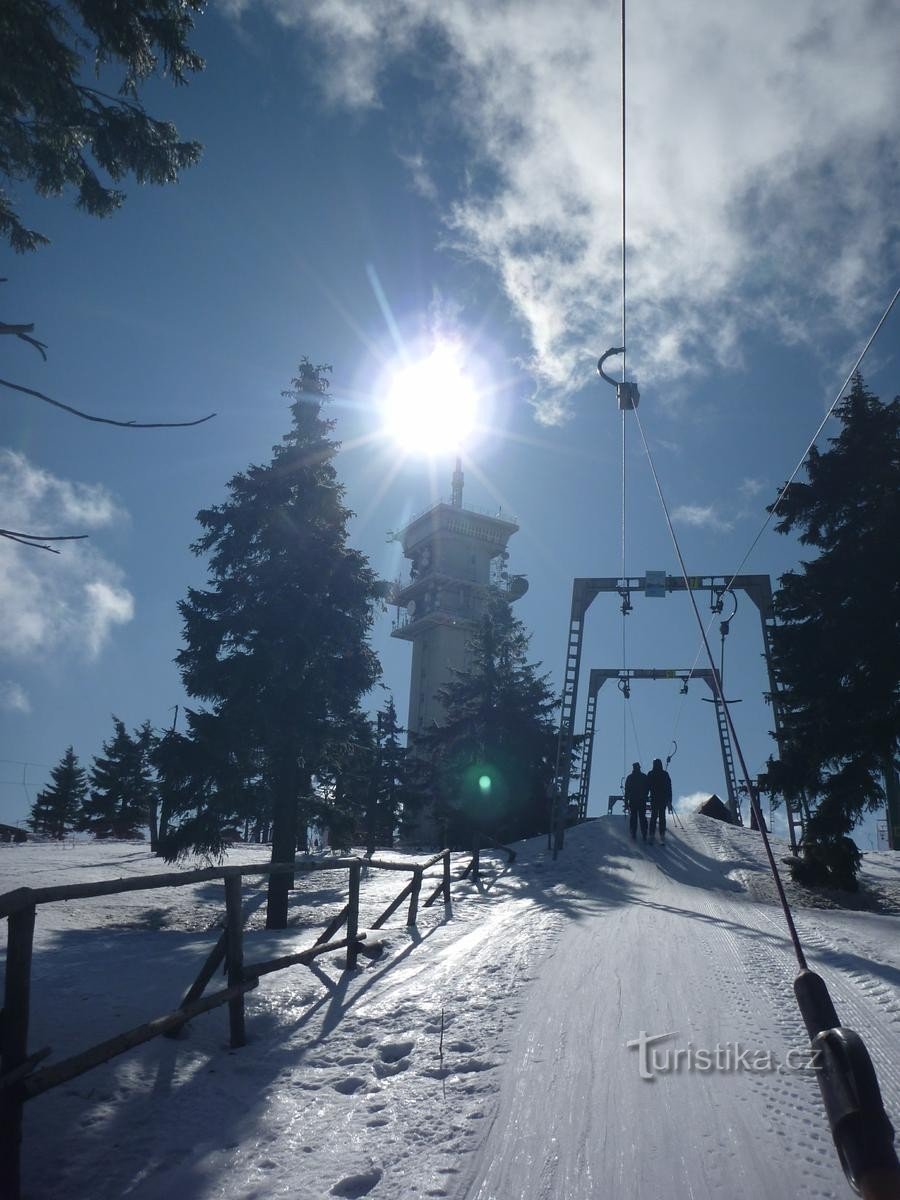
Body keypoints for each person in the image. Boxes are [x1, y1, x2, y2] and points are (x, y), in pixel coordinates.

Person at [647, 758, 672, 844]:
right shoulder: (665, 774)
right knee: (662, 817)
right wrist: (669, 800)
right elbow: (669, 787)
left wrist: (646, 795)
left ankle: (651, 835)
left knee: (654, 816)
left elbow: (647, 786)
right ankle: (662, 834)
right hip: (663, 798)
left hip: (654, 798)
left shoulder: (650, 773)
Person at [624, 763, 649, 841]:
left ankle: (633, 832)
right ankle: (644, 833)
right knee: (642, 817)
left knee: (633, 817)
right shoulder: (644, 776)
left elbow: (627, 790)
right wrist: (645, 795)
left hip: (633, 800)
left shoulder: (630, 777)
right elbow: (647, 788)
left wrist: (626, 802)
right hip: (642, 800)